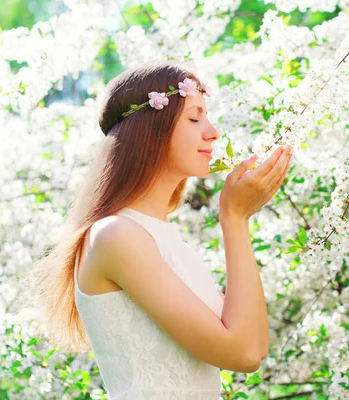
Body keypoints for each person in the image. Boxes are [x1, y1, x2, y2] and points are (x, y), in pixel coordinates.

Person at [26, 61, 292, 399]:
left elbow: (254, 344)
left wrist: (238, 220)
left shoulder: (164, 238)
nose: (212, 131)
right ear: (151, 130)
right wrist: (234, 219)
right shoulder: (116, 235)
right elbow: (243, 354)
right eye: (194, 118)